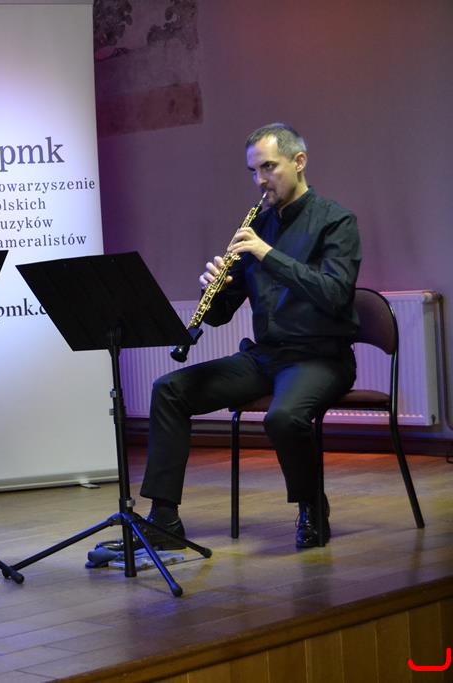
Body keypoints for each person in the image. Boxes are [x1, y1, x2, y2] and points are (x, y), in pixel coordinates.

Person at [139, 122, 361, 550]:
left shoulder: (336, 221)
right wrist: (213, 290)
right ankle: (163, 519)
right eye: (253, 171)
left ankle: (312, 506)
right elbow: (222, 315)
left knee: (283, 417)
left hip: (320, 357)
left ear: (299, 162)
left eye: (269, 167)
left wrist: (267, 254)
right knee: (169, 390)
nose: (260, 180)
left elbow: (334, 294)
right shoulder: (258, 224)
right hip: (266, 357)